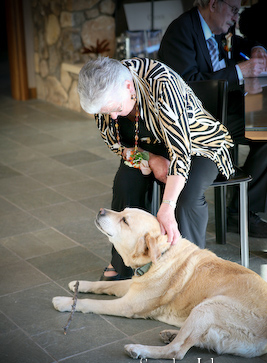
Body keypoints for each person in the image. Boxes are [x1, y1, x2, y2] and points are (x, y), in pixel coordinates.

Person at [77, 56, 234, 280]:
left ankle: (190, 271)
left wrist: (167, 206)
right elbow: (117, 146)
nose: (112, 116)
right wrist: (150, 159)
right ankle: (124, 263)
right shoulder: (102, 88)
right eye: (105, 112)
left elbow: (180, 152)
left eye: (116, 108)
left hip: (197, 147)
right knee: (125, 184)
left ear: (129, 87)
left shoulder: (161, 84)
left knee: (186, 196)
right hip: (147, 148)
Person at [158, 0, 267, 238]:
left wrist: (259, 49)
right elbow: (188, 87)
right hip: (197, 121)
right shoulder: (182, 31)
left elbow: (242, 44)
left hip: (224, 112)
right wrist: (241, 71)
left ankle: (241, 209)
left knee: (266, 129)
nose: (236, 18)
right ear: (214, 4)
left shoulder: (220, 29)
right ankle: (238, 212)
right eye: (234, 10)